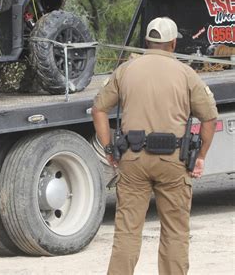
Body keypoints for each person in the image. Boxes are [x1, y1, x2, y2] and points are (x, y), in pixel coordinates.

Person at [92, 17, 218, 275]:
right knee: (175, 232)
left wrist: (108, 150)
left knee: (127, 232)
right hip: (173, 161)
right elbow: (209, 117)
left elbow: (99, 109)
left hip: (133, 160)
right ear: (173, 43)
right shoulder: (186, 73)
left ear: (147, 41)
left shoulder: (126, 69)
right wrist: (201, 156)